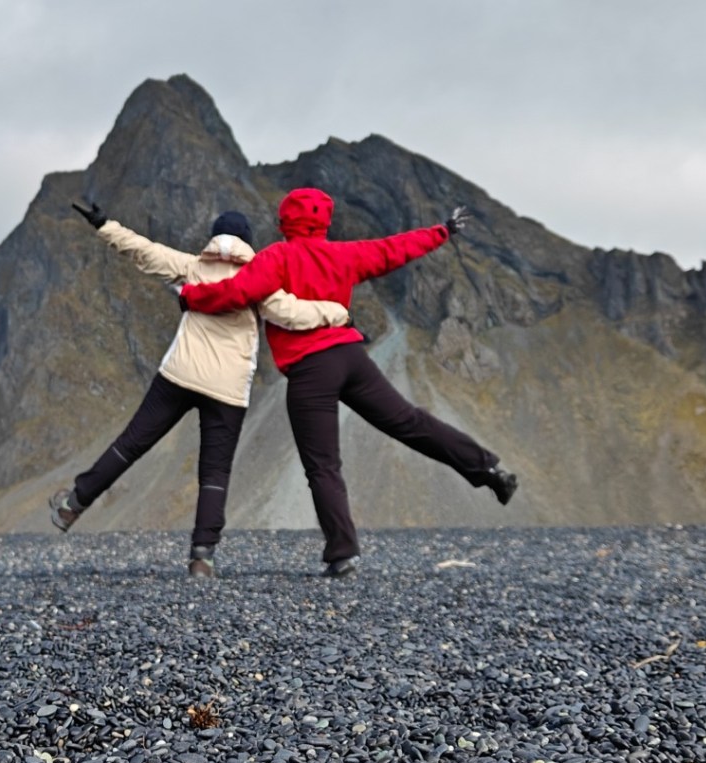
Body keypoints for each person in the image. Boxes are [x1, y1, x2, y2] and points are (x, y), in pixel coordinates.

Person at [179, 187, 518, 577]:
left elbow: (238, 292)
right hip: (352, 357)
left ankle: (344, 554)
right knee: (409, 422)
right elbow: (395, 249)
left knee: (323, 466)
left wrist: (191, 297)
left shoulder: (277, 256)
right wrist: (442, 230)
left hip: (310, 371)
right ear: (325, 221)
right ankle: (488, 470)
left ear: (284, 222)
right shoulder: (345, 254)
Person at [50, 201, 351, 577]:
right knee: (215, 473)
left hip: (179, 375)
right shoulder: (262, 278)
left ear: (214, 238)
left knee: (130, 444)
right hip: (228, 390)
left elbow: (141, 250)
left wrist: (103, 223)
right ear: (247, 242)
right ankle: (202, 557)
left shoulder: (192, 267)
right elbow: (293, 314)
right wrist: (338, 313)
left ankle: (72, 505)